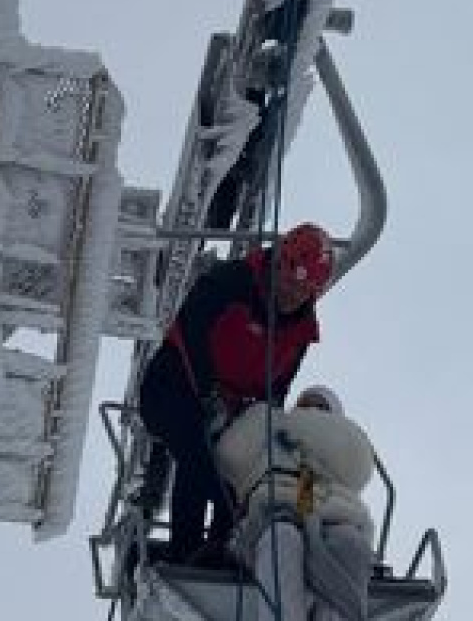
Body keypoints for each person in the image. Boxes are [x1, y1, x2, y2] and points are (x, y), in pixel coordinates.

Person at [136, 222, 335, 566]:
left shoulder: (300, 335)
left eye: (304, 292)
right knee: (198, 453)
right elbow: (192, 335)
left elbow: (276, 390)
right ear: (278, 265)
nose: (293, 296)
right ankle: (188, 549)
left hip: (228, 408)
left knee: (239, 468)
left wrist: (264, 433)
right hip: (173, 387)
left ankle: (223, 545)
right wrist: (209, 392)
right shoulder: (229, 284)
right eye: (290, 282)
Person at [215, 384, 377, 621]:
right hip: (278, 505)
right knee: (283, 536)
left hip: (330, 510)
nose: (312, 410)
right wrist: (261, 420)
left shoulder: (339, 451)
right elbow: (231, 455)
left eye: (320, 406)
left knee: (348, 545)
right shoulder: (273, 428)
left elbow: (357, 466)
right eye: (307, 404)